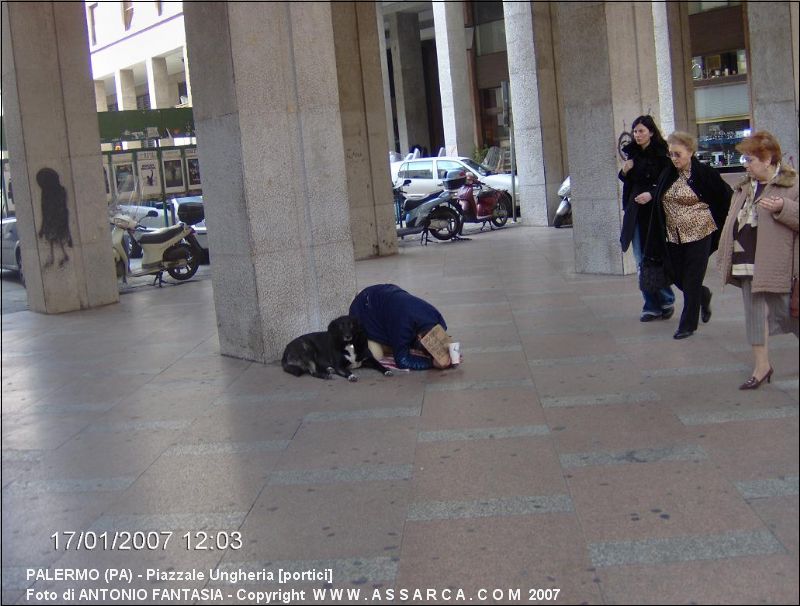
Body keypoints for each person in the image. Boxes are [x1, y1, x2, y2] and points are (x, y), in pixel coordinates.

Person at [717, 131, 798, 389]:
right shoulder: (744, 187)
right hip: (746, 258)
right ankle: (761, 367)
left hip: (779, 262)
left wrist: (782, 208)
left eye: (750, 159)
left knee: (789, 313)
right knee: (754, 315)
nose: (745, 164)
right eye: (745, 159)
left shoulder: (792, 184)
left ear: (768, 160)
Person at [648, 131, 732, 339]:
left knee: (693, 278)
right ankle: (703, 295)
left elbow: (726, 196)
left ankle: (688, 324)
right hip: (673, 235)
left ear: (691, 152)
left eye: (678, 154)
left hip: (700, 232)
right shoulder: (668, 173)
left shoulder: (704, 173)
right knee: (676, 275)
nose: (674, 159)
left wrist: (721, 223)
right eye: (671, 154)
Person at [618, 115, 675, 321]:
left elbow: (668, 181)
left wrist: (652, 193)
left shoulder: (662, 156)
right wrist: (624, 172)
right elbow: (627, 182)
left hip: (655, 213)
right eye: (635, 131)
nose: (637, 135)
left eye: (641, 131)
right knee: (640, 259)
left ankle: (666, 298)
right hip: (635, 212)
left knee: (655, 257)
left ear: (651, 132)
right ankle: (651, 304)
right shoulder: (631, 156)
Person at [349, 284, 451, 370]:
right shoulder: (402, 325)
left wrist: (446, 350)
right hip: (363, 311)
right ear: (419, 337)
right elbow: (402, 361)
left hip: (386, 300)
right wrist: (431, 363)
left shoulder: (436, 317)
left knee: (401, 343)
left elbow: (441, 336)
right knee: (376, 354)